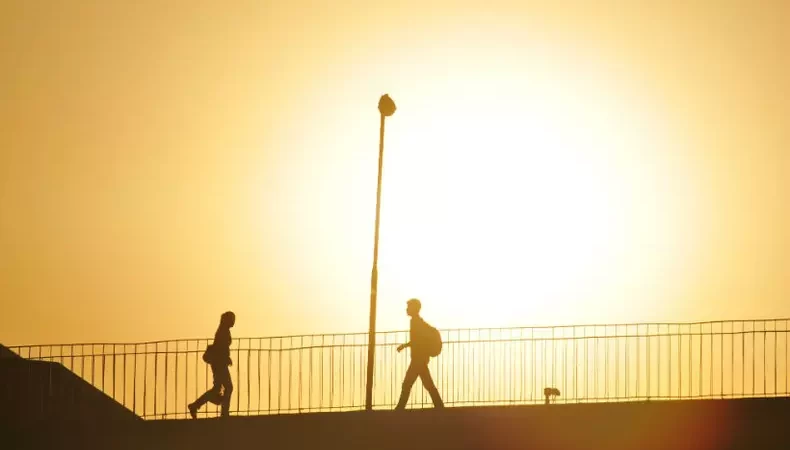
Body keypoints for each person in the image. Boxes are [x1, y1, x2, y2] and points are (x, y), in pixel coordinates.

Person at [395, 298, 444, 410]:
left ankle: (399, 409)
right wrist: (405, 346)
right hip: (420, 359)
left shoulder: (416, 322)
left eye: (409, 307)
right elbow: (417, 340)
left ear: (415, 308)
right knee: (428, 384)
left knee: (407, 384)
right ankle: (440, 406)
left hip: (418, 359)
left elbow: (417, 340)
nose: (406, 309)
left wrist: (405, 346)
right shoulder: (417, 322)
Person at [189, 311, 235, 418]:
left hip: (219, 363)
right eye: (232, 319)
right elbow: (221, 348)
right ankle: (224, 413)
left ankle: (195, 406)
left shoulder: (223, 330)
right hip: (220, 364)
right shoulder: (222, 332)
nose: (233, 322)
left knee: (217, 389)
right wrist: (226, 358)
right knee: (228, 387)